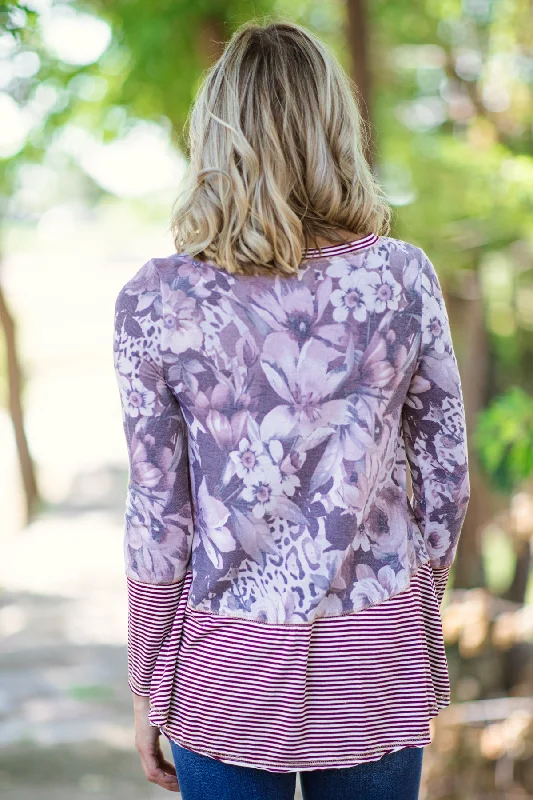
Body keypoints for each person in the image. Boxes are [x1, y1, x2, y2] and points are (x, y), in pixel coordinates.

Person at [112, 18, 471, 800]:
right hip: (374, 658)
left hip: (222, 672)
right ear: (334, 129)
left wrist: (148, 680)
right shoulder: (399, 279)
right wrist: (410, 617)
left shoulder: (155, 301)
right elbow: (445, 483)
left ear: (214, 136)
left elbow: (157, 514)